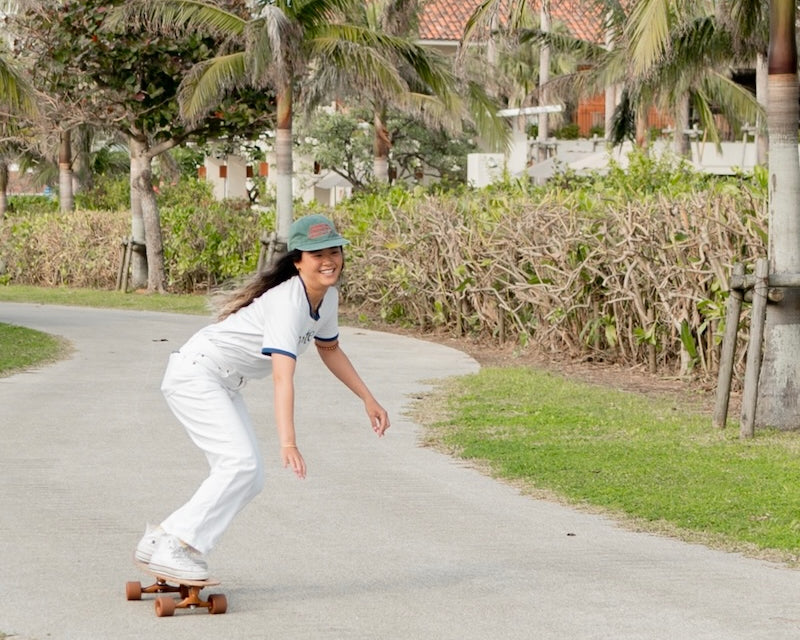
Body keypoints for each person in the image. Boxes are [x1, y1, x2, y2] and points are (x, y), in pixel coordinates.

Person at [134, 214, 390, 580]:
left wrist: (368, 398)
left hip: (221, 382)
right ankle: (176, 544)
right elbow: (283, 379)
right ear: (298, 260)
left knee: (250, 476)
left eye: (334, 251)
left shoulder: (327, 297)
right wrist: (289, 443)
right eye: (317, 254)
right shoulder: (288, 302)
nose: (329, 261)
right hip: (196, 374)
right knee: (239, 465)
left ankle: (160, 540)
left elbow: (330, 349)